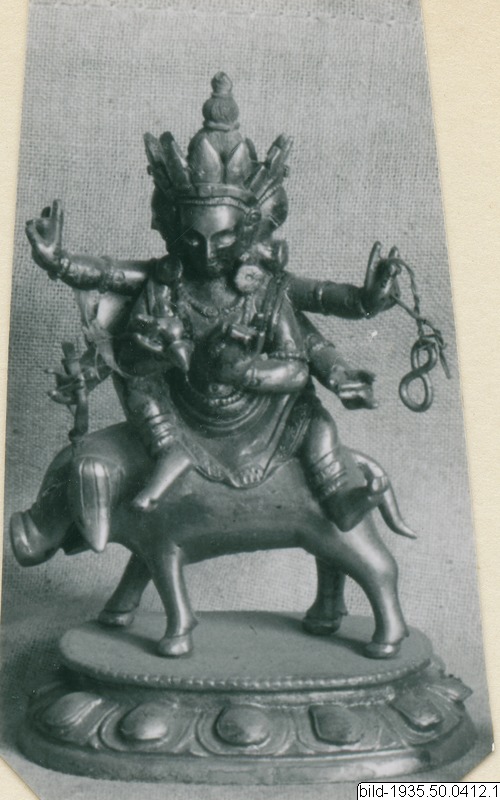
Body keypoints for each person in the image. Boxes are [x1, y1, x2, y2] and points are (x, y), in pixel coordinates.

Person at [25, 72, 401, 546]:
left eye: (222, 240)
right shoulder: (166, 279)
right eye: (193, 240)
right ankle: (168, 452)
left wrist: (365, 303)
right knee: (133, 371)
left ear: (248, 231)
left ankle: (343, 498)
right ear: (172, 229)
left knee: (317, 427)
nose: (206, 253)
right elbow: (107, 273)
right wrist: (58, 261)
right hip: (182, 412)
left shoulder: (266, 288)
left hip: (263, 416)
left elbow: (317, 316)